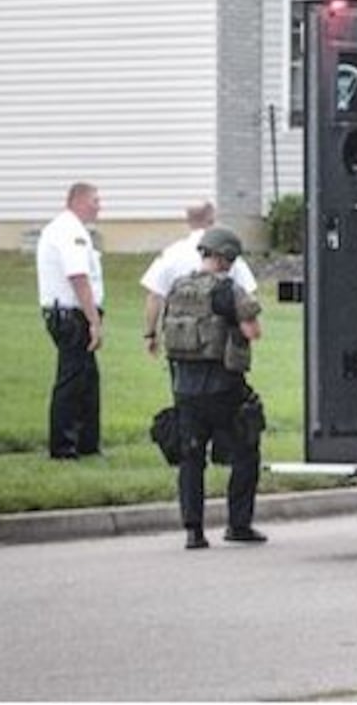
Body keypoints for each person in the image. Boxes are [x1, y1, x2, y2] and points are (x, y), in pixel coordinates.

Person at [158, 226, 266, 549]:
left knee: (191, 459)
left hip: (184, 389)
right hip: (223, 388)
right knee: (247, 449)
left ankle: (194, 531)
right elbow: (253, 330)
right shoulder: (227, 290)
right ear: (226, 258)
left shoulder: (178, 287)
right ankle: (238, 524)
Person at [36, 181, 104, 459]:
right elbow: (78, 277)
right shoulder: (70, 231)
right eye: (95, 201)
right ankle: (63, 446)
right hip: (71, 315)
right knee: (72, 379)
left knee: (87, 379)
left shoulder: (70, 229)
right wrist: (93, 321)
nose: (99, 206)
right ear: (78, 200)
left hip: (71, 313)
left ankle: (87, 444)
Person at [138, 199, 256, 359]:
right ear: (212, 218)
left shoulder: (171, 253)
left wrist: (151, 333)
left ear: (188, 220)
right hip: (219, 350)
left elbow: (154, 295)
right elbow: (248, 294)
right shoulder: (225, 253)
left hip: (181, 346)